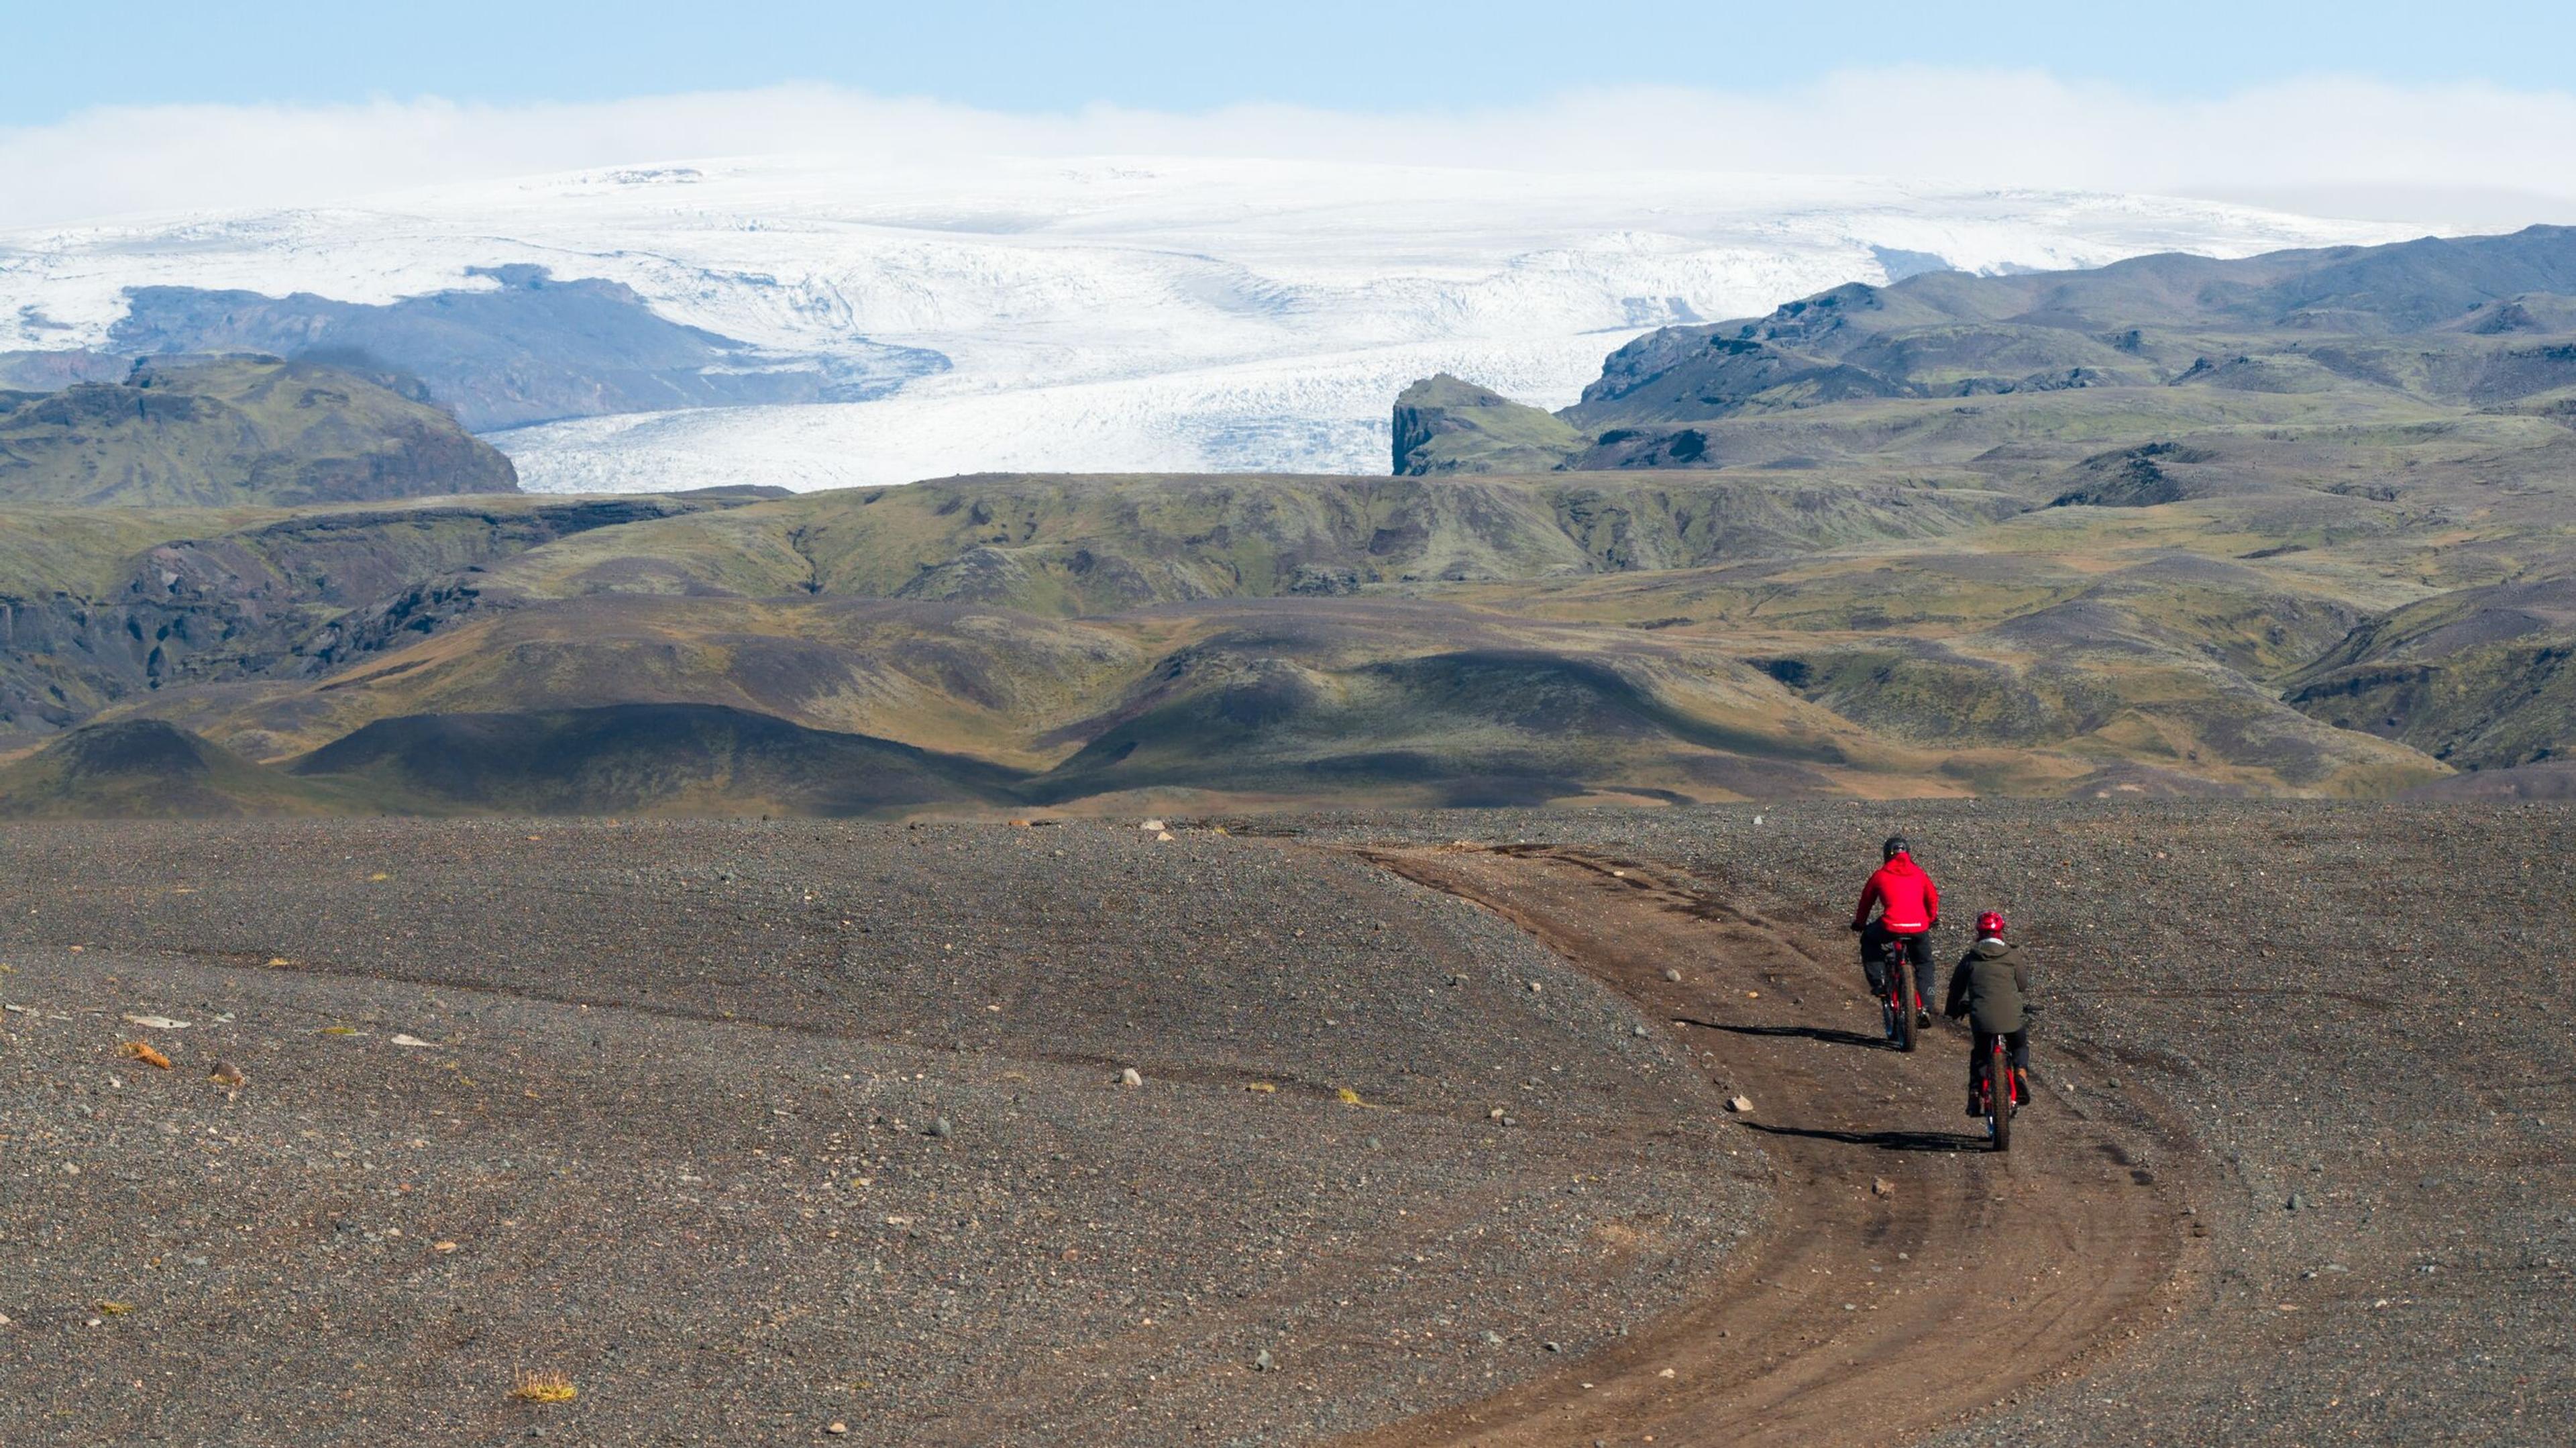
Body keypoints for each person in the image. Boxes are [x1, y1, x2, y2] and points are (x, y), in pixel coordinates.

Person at [1945, 911, 2035, 1117]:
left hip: (1982, 1019)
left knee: (1980, 1054)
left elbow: (1955, 989)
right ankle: (2020, 1073)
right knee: (2019, 1044)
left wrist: (1952, 1011)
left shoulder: (1970, 959)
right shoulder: (2012, 956)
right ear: (2002, 931)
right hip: (2011, 1017)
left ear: (1979, 932)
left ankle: (1975, 1094)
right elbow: (2022, 985)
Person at [1849, 835, 1939, 1027]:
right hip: (1919, 927)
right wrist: (1931, 919)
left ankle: (1879, 982)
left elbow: (1866, 901)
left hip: (1890, 925)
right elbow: (1932, 897)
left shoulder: (1880, 875)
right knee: (1925, 963)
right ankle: (1926, 1006)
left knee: (1869, 939)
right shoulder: (1919, 873)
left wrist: (1860, 923)